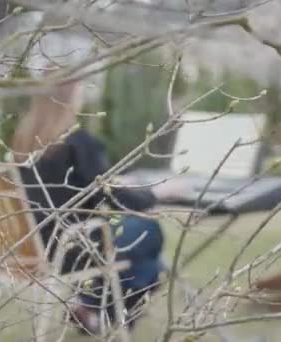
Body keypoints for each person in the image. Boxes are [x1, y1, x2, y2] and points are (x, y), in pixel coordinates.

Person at [11, 72, 182, 334]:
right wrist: (158, 192)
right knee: (148, 232)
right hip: (73, 248)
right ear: (70, 98)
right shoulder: (76, 141)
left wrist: (114, 181)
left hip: (31, 247)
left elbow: (81, 188)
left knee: (140, 249)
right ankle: (98, 310)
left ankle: (90, 308)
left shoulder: (23, 144)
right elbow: (114, 198)